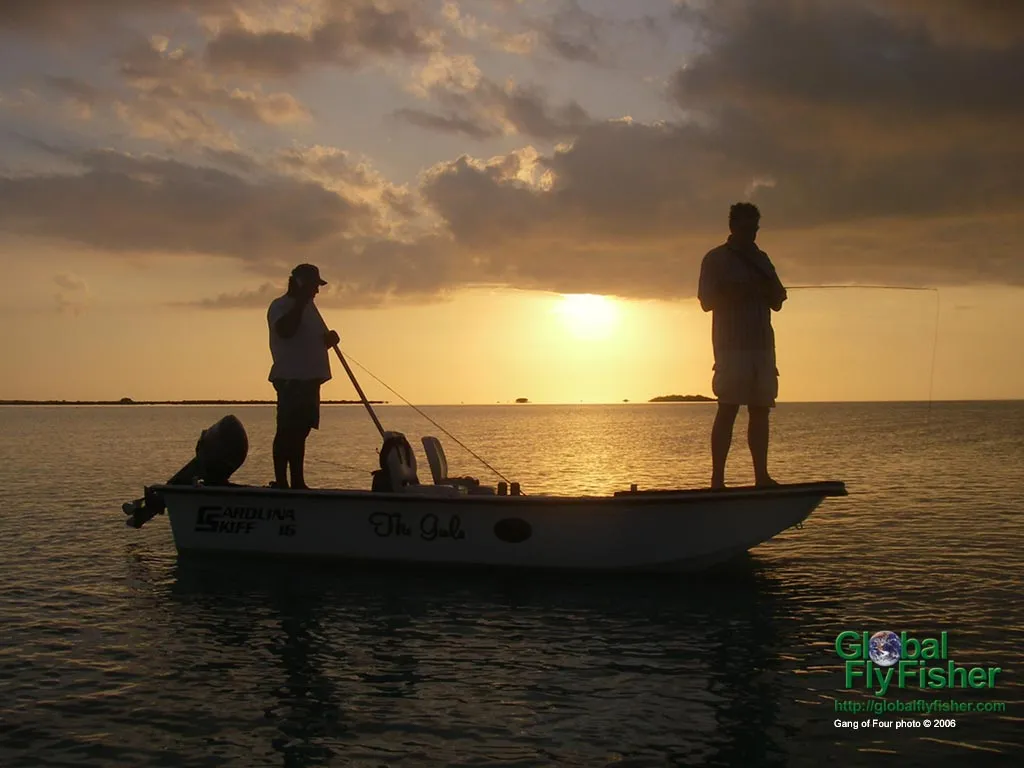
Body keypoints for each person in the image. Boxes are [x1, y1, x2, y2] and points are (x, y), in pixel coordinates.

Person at [697, 203, 787, 489]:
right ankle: (717, 480)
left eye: (755, 229)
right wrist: (738, 291)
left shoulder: (763, 259)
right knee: (728, 409)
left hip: (762, 347)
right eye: (747, 228)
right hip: (730, 347)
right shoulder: (715, 259)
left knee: (760, 410)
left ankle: (762, 476)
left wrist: (773, 292)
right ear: (733, 227)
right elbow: (706, 301)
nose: (752, 234)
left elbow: (777, 301)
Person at [267, 263, 341, 489]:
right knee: (287, 431)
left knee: (301, 432)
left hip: (310, 380)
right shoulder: (280, 307)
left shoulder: (310, 310)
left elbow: (308, 344)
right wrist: (300, 302)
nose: (316, 292)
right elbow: (286, 332)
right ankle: (282, 481)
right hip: (291, 380)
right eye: (313, 287)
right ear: (300, 285)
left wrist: (328, 342)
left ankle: (297, 481)